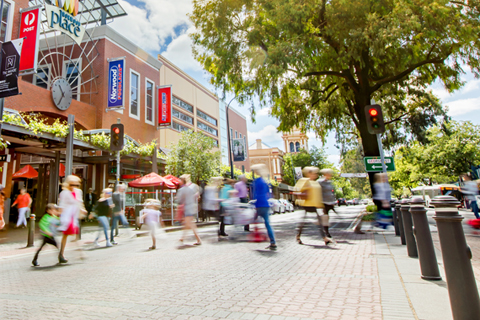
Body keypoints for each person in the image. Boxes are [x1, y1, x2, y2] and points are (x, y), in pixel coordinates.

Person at [296, 167, 332, 245]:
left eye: (315, 173)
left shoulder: (315, 183)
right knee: (307, 222)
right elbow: (297, 190)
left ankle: (298, 236)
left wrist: (321, 205)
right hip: (306, 204)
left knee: (306, 222)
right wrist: (306, 188)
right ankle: (324, 238)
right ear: (309, 173)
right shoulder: (304, 180)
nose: (315, 175)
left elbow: (318, 195)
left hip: (314, 205)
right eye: (314, 173)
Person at [57, 175, 86, 263]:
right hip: (67, 216)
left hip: (74, 216)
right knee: (67, 235)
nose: (74, 187)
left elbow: (80, 203)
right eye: (71, 184)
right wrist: (58, 216)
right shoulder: (64, 193)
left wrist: (82, 210)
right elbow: (61, 205)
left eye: (76, 185)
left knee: (75, 234)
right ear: (68, 184)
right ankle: (62, 254)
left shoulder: (78, 192)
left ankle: (78, 253)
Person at [251, 164, 276, 250]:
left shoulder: (256, 181)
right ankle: (272, 241)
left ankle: (258, 236)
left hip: (260, 204)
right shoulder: (265, 181)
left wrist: (255, 204)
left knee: (254, 220)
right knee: (267, 223)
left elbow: (255, 194)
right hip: (265, 204)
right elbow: (268, 194)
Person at [177, 175, 202, 246]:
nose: (179, 181)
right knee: (189, 224)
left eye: (180, 180)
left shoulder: (182, 189)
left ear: (183, 181)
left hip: (187, 208)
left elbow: (179, 199)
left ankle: (184, 238)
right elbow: (200, 190)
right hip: (191, 207)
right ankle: (196, 239)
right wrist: (196, 195)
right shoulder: (192, 186)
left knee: (189, 224)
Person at [319, 169, 336, 238]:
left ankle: (325, 231)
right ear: (325, 174)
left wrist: (334, 201)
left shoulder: (330, 182)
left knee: (327, 218)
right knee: (325, 218)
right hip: (323, 203)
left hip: (330, 202)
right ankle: (326, 233)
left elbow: (332, 192)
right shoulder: (320, 182)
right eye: (329, 174)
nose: (330, 175)